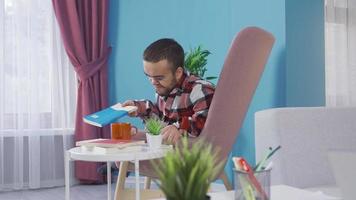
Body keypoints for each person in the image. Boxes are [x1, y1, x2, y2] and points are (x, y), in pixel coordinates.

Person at [123, 38, 215, 144]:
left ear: (178, 73)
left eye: (159, 78)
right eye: (148, 76)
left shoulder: (200, 90)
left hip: (191, 155)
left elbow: (204, 121)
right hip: (168, 150)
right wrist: (139, 108)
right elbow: (161, 122)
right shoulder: (164, 88)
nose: (153, 82)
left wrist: (178, 128)